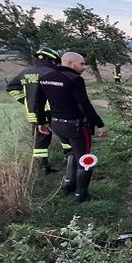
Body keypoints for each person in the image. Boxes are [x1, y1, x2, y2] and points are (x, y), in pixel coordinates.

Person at [35, 52, 106, 203]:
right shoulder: (75, 79)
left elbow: (38, 103)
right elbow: (84, 104)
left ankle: (70, 183)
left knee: (72, 152)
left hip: (57, 124)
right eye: (81, 63)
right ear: (70, 63)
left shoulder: (45, 78)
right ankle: (81, 195)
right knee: (85, 159)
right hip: (76, 126)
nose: (84, 67)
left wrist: (41, 122)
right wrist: (99, 124)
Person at [5, 47, 63, 174]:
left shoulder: (25, 72)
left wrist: (25, 101)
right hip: (52, 111)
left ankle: (43, 167)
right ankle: (70, 161)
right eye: (55, 61)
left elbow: (10, 88)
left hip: (33, 113)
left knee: (40, 139)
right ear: (50, 60)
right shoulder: (52, 73)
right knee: (65, 135)